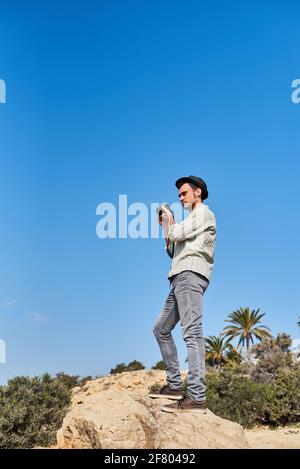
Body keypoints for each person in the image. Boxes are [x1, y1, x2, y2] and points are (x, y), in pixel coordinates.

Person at [149, 175, 216, 413]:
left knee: (192, 333)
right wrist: (167, 228)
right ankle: (175, 386)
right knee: (161, 329)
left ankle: (197, 397)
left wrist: (170, 220)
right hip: (178, 277)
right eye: (178, 195)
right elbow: (172, 249)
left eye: (184, 193)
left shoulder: (203, 214)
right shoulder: (190, 221)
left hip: (190, 275)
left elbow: (177, 234)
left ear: (198, 192)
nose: (180, 197)